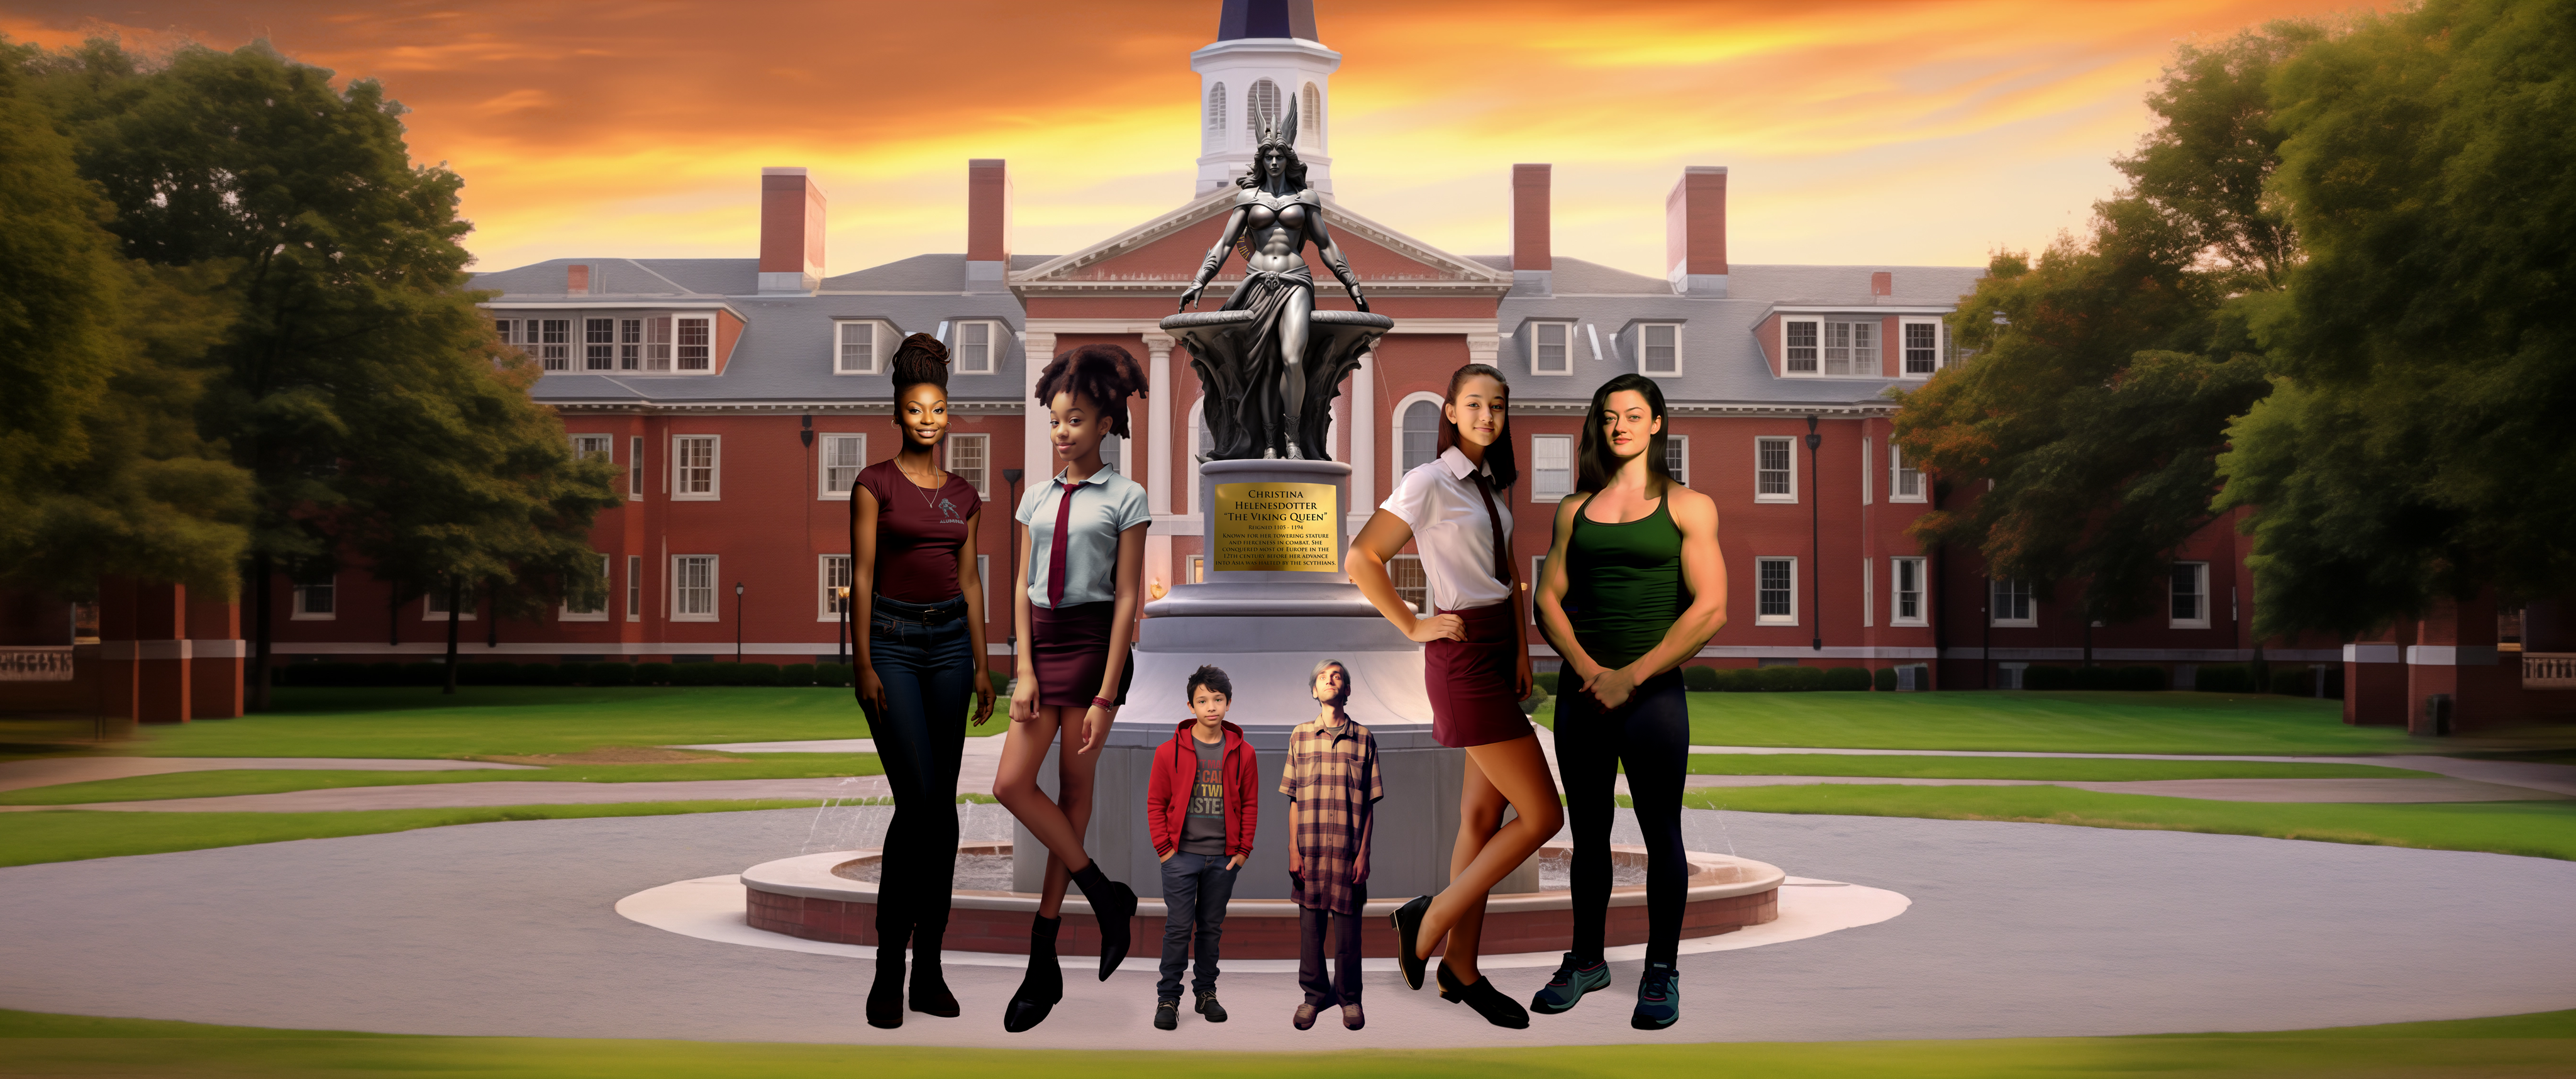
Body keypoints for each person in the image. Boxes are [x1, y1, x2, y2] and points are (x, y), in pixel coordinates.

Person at [1346, 362, 1562, 1029]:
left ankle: (1460, 972)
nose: (1487, 416)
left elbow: (1507, 575)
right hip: (1463, 655)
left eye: (1497, 406)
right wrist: (1412, 623)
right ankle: (1429, 918)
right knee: (1543, 817)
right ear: (1449, 410)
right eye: (1474, 405)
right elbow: (1362, 558)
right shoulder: (1429, 481)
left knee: (1480, 823)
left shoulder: (1491, 487)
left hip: (1500, 652)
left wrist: (1525, 652)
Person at [1531, 374, 1727, 1031]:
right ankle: (1587, 961)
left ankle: (1660, 971)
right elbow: (1546, 599)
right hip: (1582, 694)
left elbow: (1712, 609)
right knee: (1586, 837)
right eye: (1609, 416)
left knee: (1659, 834)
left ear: (1657, 424)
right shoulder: (1572, 510)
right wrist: (1590, 670)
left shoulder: (1689, 507)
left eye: (1633, 415)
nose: (1620, 426)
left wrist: (1631, 675)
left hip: (1653, 698)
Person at [992, 343, 1152, 1033]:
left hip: (1094, 651)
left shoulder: (1127, 497)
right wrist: (1021, 669)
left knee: (1073, 795)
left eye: (1077, 420)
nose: (1063, 433)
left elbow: (1125, 599)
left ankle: (1043, 956)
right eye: (1056, 421)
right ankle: (1104, 894)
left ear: (1106, 424)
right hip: (1043, 645)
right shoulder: (1033, 497)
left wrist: (1108, 693)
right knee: (1011, 784)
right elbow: (1022, 590)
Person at [848, 332, 997, 1029]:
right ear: (897, 416)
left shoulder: (965, 495)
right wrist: (863, 663)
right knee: (921, 806)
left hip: (948, 652)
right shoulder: (873, 485)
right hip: (894, 646)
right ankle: (887, 972)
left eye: (938, 408)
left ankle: (928, 972)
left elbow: (970, 581)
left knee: (941, 816)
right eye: (915, 409)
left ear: (948, 415)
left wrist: (984, 662)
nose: (927, 419)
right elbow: (862, 577)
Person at [1175, 97, 1368, 460]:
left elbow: (1326, 245)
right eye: (1269, 157)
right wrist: (1199, 281)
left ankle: (1293, 438)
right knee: (1264, 367)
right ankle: (1268, 442)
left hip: (1295, 280)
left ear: (1289, 160)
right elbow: (1225, 244)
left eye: (1281, 156)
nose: (1275, 162)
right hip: (1257, 283)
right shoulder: (1248, 197)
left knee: (1292, 358)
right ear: (1262, 161)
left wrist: (1352, 284)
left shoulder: (1306, 198)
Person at [1146, 665, 1257, 1031]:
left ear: (1228, 704)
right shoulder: (1168, 752)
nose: (1211, 706)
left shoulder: (1244, 753)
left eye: (1218, 699)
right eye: (1203, 700)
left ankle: (1206, 993)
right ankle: (1168, 998)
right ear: (1191, 706)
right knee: (1178, 928)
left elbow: (1251, 803)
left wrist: (1242, 852)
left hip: (1223, 860)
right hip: (1181, 858)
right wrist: (1165, 850)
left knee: (1210, 929)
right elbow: (1156, 803)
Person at [1280, 660, 1380, 1032]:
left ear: (1348, 690)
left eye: (1337, 676)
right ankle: (1314, 997)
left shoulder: (1365, 738)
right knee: (1311, 931)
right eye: (1323, 677)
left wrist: (1365, 853)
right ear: (1313, 691)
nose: (1329, 680)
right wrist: (1293, 849)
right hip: (1310, 853)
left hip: (1348, 853)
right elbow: (1292, 798)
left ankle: (1350, 998)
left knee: (1349, 934)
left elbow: (1369, 802)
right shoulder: (1300, 735)